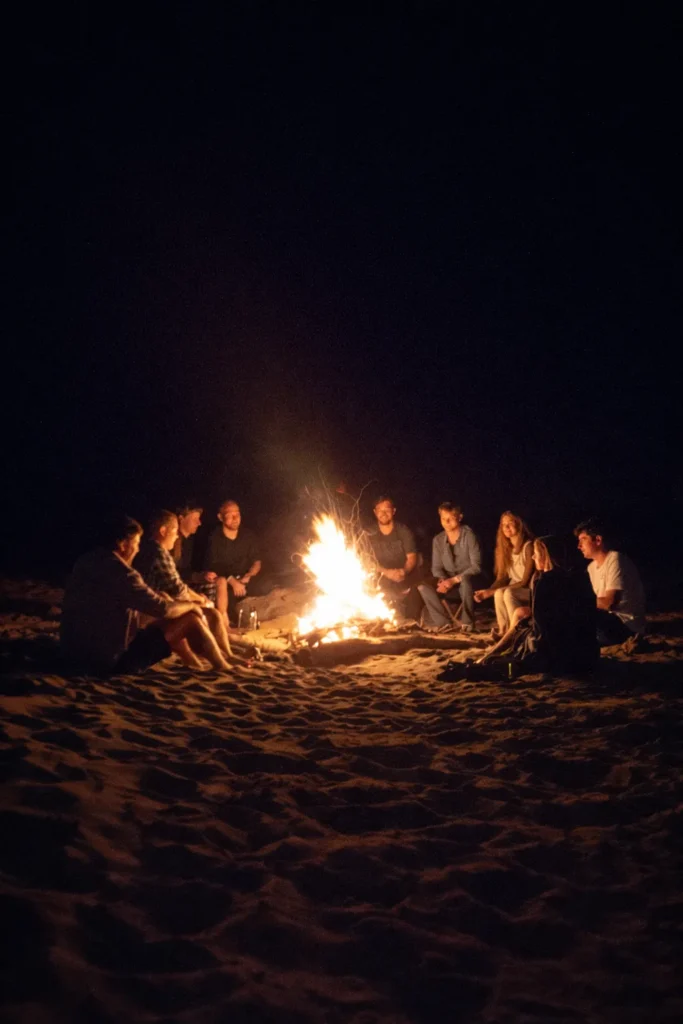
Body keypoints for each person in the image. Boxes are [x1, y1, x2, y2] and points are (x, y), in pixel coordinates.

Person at [61, 515, 232, 675]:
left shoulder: (86, 561)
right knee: (190, 619)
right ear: (122, 545)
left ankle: (194, 663)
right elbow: (164, 609)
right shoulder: (124, 574)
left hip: (72, 653)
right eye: (136, 543)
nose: (137, 550)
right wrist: (193, 605)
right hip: (109, 660)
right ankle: (222, 666)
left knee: (165, 601)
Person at [439, 535, 599, 680]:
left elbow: (542, 628)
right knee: (521, 624)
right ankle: (485, 660)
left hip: (556, 655)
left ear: (546, 556)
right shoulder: (580, 576)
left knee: (518, 639)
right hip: (587, 654)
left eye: (536, 553)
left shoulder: (544, 581)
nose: (533, 557)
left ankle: (483, 662)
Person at [135, 509, 235, 654]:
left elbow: (177, 580)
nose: (176, 536)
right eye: (174, 531)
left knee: (208, 604)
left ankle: (221, 649)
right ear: (163, 531)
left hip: (161, 601)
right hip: (155, 608)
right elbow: (176, 587)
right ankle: (222, 654)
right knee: (209, 614)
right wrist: (199, 599)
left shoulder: (160, 548)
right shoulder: (158, 552)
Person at [574, 517, 646, 645]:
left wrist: (579, 602)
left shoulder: (615, 559)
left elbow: (609, 603)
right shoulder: (591, 567)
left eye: (583, 540)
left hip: (625, 624)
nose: (579, 546)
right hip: (607, 621)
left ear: (598, 540)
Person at [203, 500, 272, 622]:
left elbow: (257, 561)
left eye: (237, 514)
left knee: (266, 584)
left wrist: (249, 575)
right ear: (220, 517)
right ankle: (229, 620)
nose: (235, 519)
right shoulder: (214, 537)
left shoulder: (248, 535)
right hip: (226, 583)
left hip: (244, 581)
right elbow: (214, 565)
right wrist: (232, 581)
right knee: (227, 597)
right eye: (230, 515)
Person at [418, 503, 482, 632]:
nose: (447, 522)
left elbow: (476, 566)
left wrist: (453, 580)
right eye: (443, 518)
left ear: (460, 517)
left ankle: (467, 624)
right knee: (423, 587)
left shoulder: (469, 536)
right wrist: (442, 579)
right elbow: (436, 567)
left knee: (466, 581)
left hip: (468, 579)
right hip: (448, 580)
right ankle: (443, 623)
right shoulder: (438, 540)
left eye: (451, 518)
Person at [474, 511, 535, 637]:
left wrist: (492, 591)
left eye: (510, 523)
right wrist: (488, 591)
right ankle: (503, 631)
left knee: (507, 593)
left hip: (529, 590)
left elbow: (525, 581)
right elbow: (502, 578)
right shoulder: (505, 549)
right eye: (503, 524)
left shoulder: (528, 547)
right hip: (514, 589)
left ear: (519, 524)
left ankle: (515, 631)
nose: (506, 527)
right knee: (498, 593)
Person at [365, 496, 424, 623]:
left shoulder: (403, 531)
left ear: (394, 511)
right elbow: (366, 560)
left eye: (387, 509)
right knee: (380, 593)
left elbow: (412, 558)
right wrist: (386, 572)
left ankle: (409, 622)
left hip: (404, 575)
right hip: (381, 577)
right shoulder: (369, 533)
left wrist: (404, 571)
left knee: (413, 608)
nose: (383, 513)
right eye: (380, 510)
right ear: (375, 512)